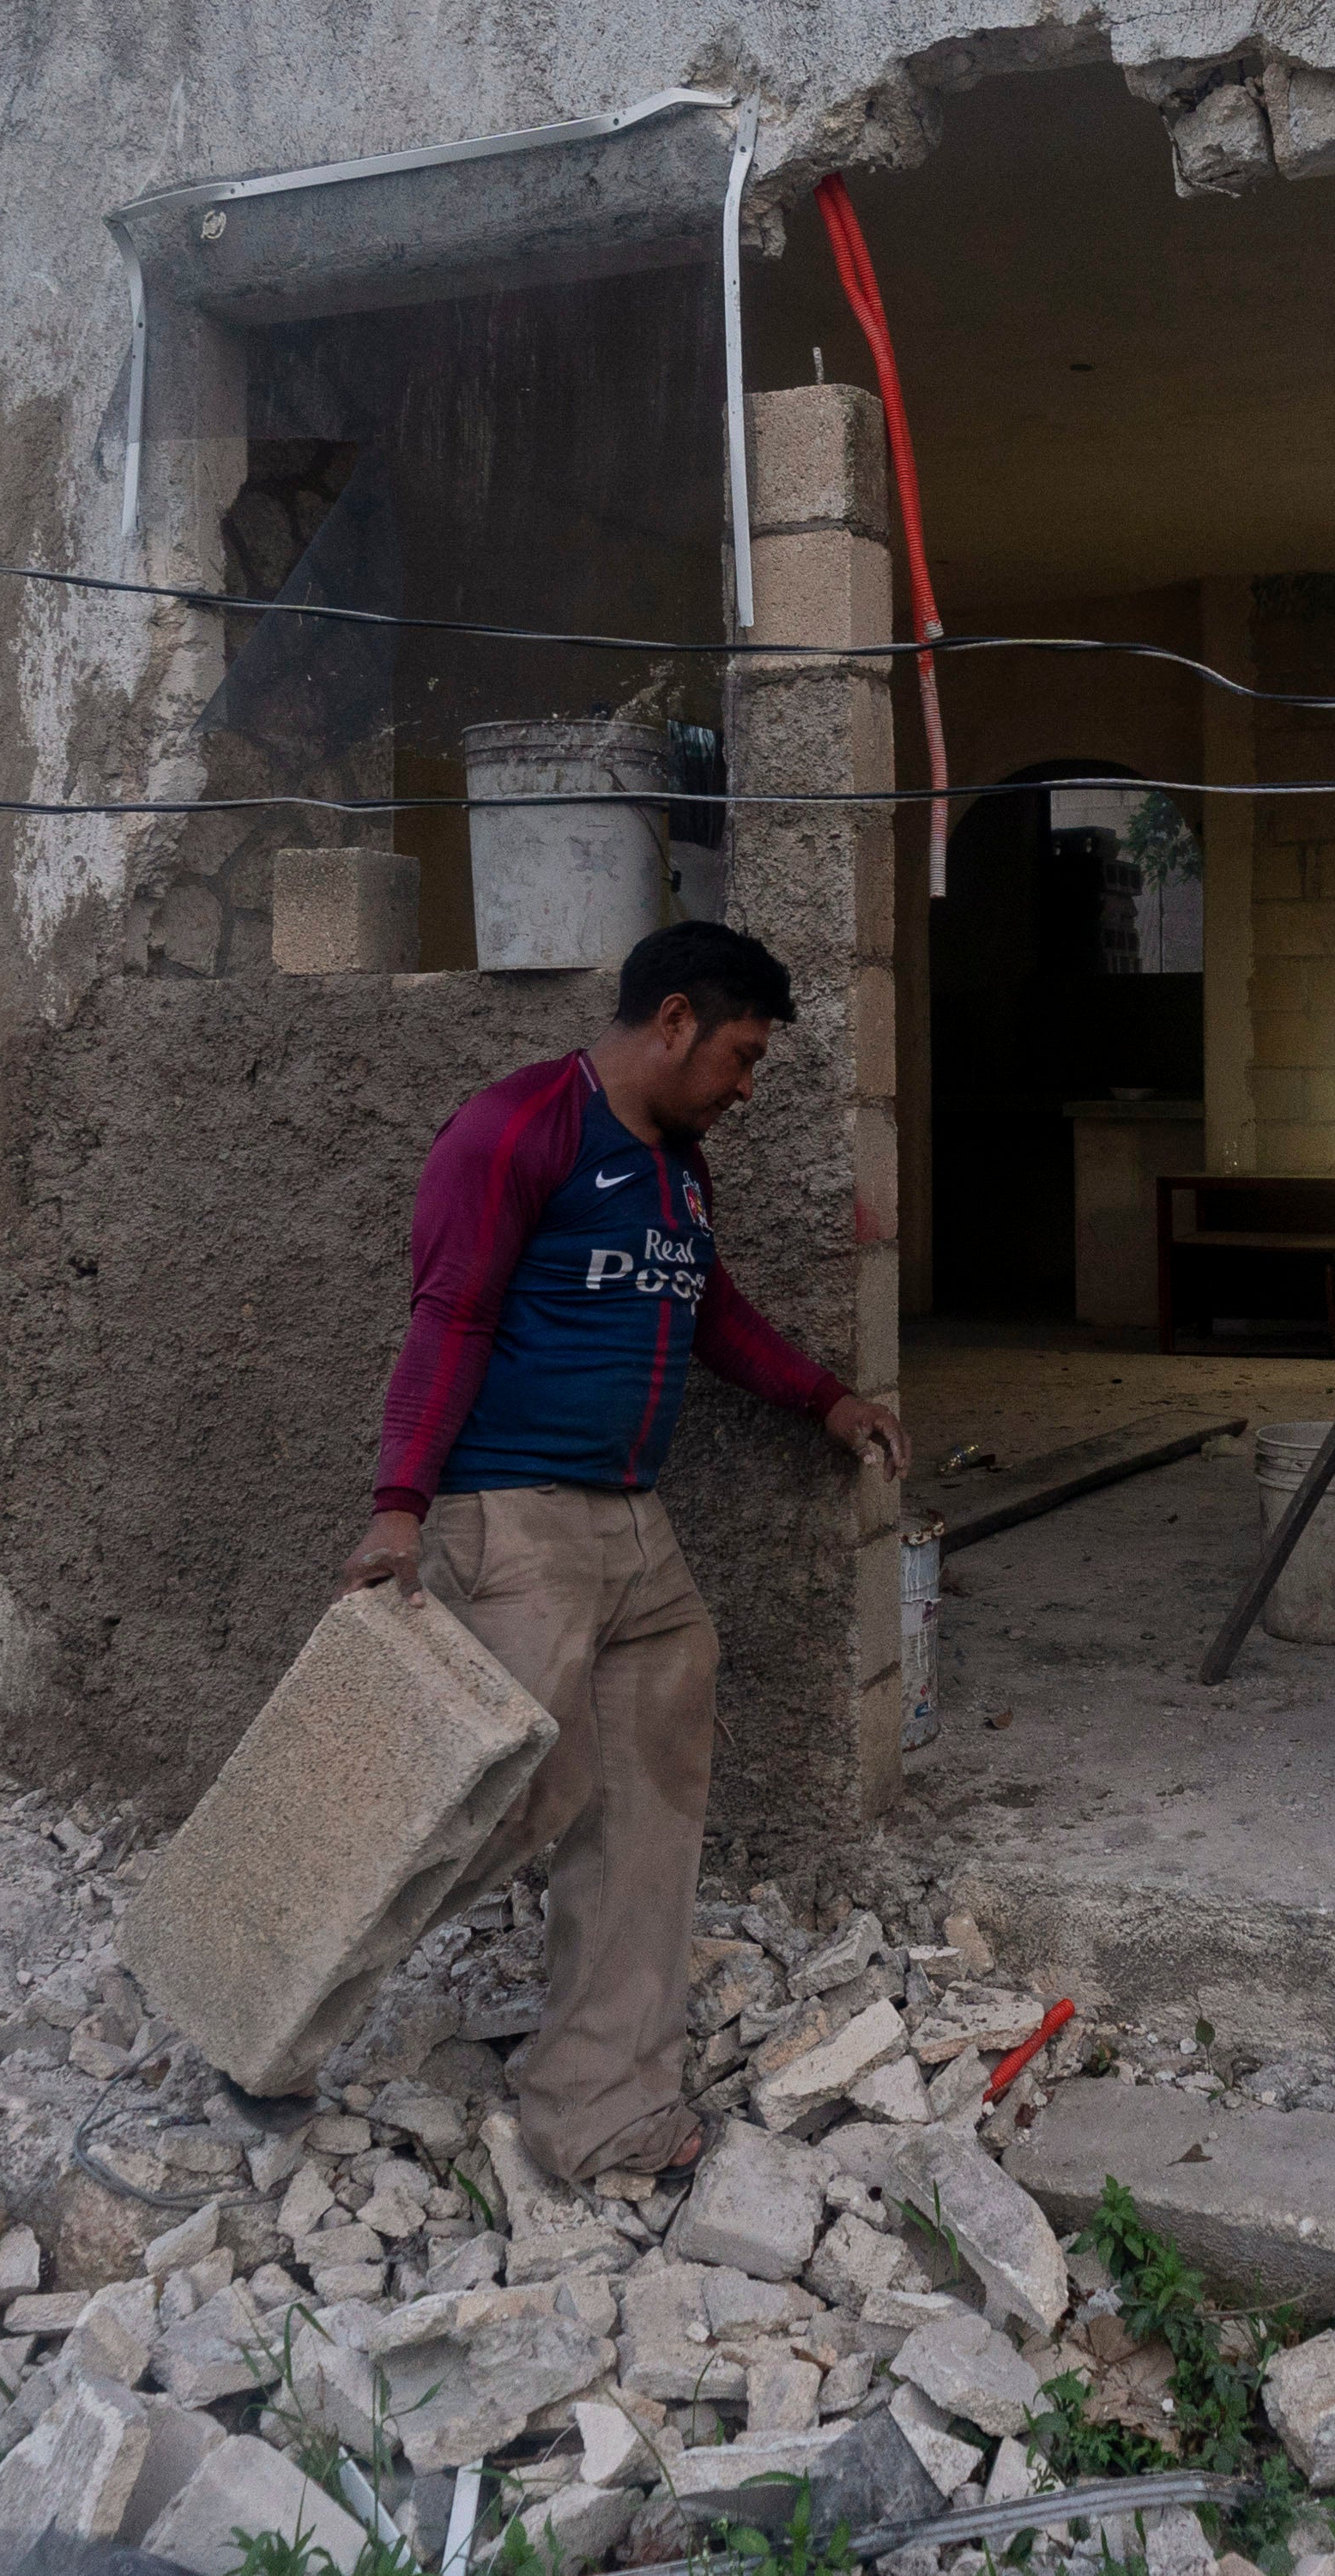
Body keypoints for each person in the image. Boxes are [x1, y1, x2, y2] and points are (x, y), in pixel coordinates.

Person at [347, 918, 909, 2181]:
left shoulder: (679, 1170)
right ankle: (282, 1950)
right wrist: (400, 1504)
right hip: (514, 1519)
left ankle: (596, 2101)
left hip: (635, 1526)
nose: (748, 1087)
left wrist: (827, 1398)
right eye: (742, 1056)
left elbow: (707, 1310)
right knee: (505, 1793)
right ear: (671, 1023)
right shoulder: (515, 1129)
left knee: (649, 1791)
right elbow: (450, 1314)